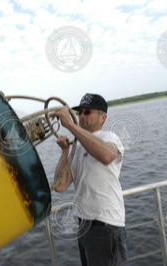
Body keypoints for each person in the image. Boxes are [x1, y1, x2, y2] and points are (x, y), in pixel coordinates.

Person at [53, 93, 127, 266]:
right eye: (80, 113)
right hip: (84, 224)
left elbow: (107, 155)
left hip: (105, 223)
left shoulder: (110, 137)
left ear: (103, 117)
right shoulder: (77, 146)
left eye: (87, 112)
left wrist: (71, 127)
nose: (82, 116)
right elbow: (60, 186)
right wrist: (65, 151)